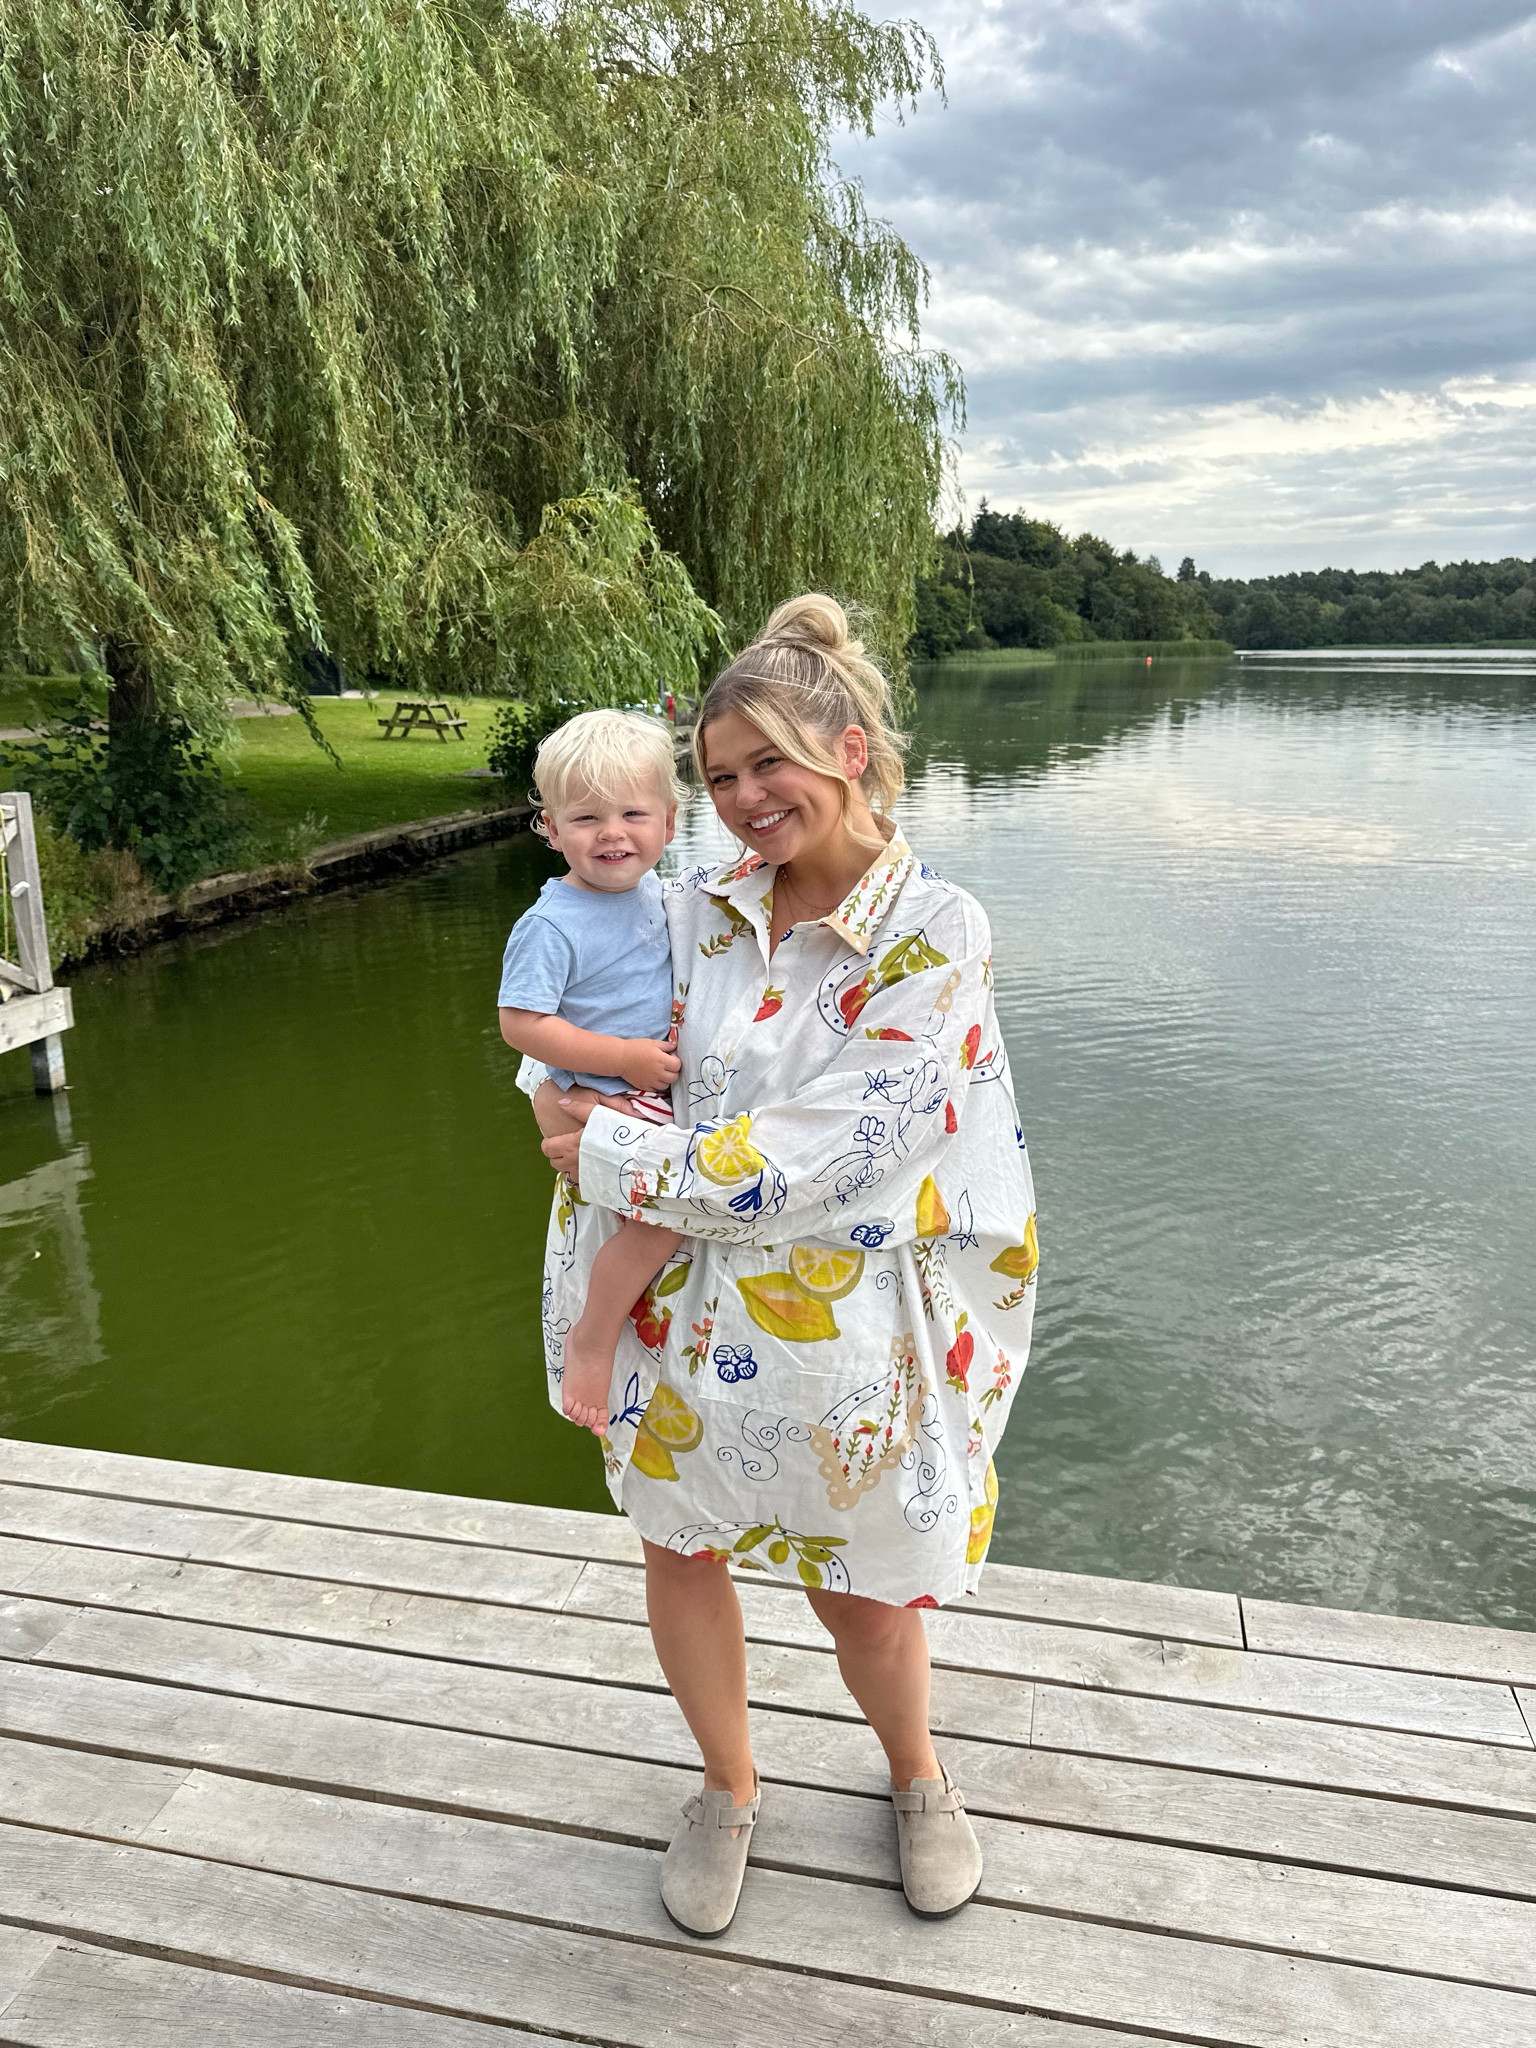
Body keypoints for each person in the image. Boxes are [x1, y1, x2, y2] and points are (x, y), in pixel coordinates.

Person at [530, 596, 1038, 1938]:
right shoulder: (689, 910)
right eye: (718, 779)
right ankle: (727, 1785)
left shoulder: (937, 932)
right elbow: (579, 1037)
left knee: (860, 1585)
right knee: (681, 1551)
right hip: (673, 1318)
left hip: (853, 1340)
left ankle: (919, 1779)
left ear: (851, 750)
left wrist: (609, 1160)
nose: (746, 800)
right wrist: (555, 1105)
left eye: (771, 766)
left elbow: (823, 1152)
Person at [498, 709, 686, 1433]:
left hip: (621, 1093)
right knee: (666, 1216)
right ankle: (593, 1335)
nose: (612, 833)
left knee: (659, 1209)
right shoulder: (553, 924)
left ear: (669, 822)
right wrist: (626, 1061)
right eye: (586, 817)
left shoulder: (660, 897)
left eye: (633, 813)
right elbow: (521, 1024)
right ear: (549, 828)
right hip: (608, 1091)